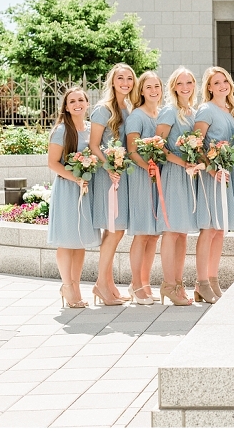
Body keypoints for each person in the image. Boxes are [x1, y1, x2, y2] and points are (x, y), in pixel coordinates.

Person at [47, 86, 101, 308]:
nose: (77, 104)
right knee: (67, 240)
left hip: (86, 189)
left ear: (87, 103)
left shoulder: (91, 129)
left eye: (81, 100)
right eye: (72, 101)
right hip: (68, 189)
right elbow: (53, 163)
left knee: (79, 241)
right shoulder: (61, 130)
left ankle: (75, 286)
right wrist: (75, 178)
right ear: (67, 107)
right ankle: (67, 286)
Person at [89, 63, 136, 306]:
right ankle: (100, 284)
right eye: (121, 78)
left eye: (129, 78)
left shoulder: (129, 107)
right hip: (108, 175)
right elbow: (94, 145)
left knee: (114, 231)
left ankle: (108, 285)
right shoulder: (102, 109)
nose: (125, 82)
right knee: (114, 229)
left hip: (122, 174)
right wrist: (109, 167)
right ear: (112, 80)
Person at [194, 66, 234, 303]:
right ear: (209, 87)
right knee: (209, 229)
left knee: (220, 230)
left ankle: (212, 280)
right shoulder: (206, 109)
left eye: (225, 80)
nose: (222, 85)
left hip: (226, 174)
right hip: (211, 175)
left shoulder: (231, 110)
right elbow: (196, 143)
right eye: (216, 82)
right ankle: (202, 281)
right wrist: (212, 169)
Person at [154, 67, 199, 306]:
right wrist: (181, 161)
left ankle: (178, 283)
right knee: (171, 231)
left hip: (190, 175)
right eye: (180, 83)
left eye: (189, 82)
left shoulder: (193, 112)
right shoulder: (169, 111)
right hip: (174, 173)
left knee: (182, 232)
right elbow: (158, 145)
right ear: (173, 87)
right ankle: (168, 284)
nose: (185, 87)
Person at [125, 71, 164, 305]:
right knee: (142, 234)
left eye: (157, 86)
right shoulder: (137, 116)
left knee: (153, 235)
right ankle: (135, 284)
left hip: (158, 176)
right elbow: (132, 149)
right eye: (148, 87)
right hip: (142, 177)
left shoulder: (160, 114)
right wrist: (147, 167)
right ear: (141, 90)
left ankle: (145, 282)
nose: (153, 91)